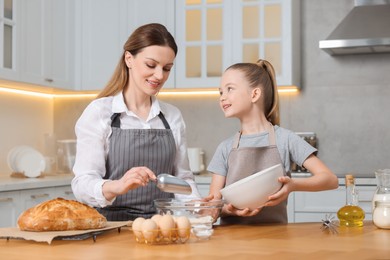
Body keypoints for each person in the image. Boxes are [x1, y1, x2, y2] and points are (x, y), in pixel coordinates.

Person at [71, 23, 201, 221]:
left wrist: (202, 209)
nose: (159, 76)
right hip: (112, 228)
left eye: (167, 68)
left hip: (162, 226)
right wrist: (118, 185)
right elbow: (82, 183)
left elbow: (182, 181)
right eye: (151, 65)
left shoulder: (172, 116)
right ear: (129, 59)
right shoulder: (100, 112)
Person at [207, 59, 338, 225]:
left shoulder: (286, 139)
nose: (222, 97)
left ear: (254, 94)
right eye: (220, 92)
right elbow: (213, 206)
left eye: (229, 89)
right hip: (232, 242)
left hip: (276, 239)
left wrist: (293, 186)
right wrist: (225, 210)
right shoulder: (225, 148)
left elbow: (330, 180)